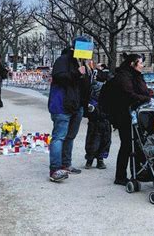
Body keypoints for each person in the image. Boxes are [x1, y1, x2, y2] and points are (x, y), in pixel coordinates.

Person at [48, 37, 92, 182]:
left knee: (70, 137)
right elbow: (58, 77)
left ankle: (66, 164)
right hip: (62, 105)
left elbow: (84, 87)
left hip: (76, 106)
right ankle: (55, 169)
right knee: (59, 137)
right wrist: (77, 73)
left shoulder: (83, 63)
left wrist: (88, 74)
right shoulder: (63, 60)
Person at [112, 53, 151, 185]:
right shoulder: (124, 76)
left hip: (136, 115)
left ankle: (137, 172)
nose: (142, 65)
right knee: (127, 145)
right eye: (140, 63)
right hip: (125, 116)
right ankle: (120, 176)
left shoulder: (135, 75)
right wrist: (145, 98)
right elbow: (128, 94)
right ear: (132, 64)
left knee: (136, 144)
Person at [84, 67, 112, 169]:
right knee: (100, 140)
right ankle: (96, 159)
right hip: (100, 120)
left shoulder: (94, 87)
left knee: (96, 140)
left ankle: (92, 159)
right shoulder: (102, 88)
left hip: (99, 119)